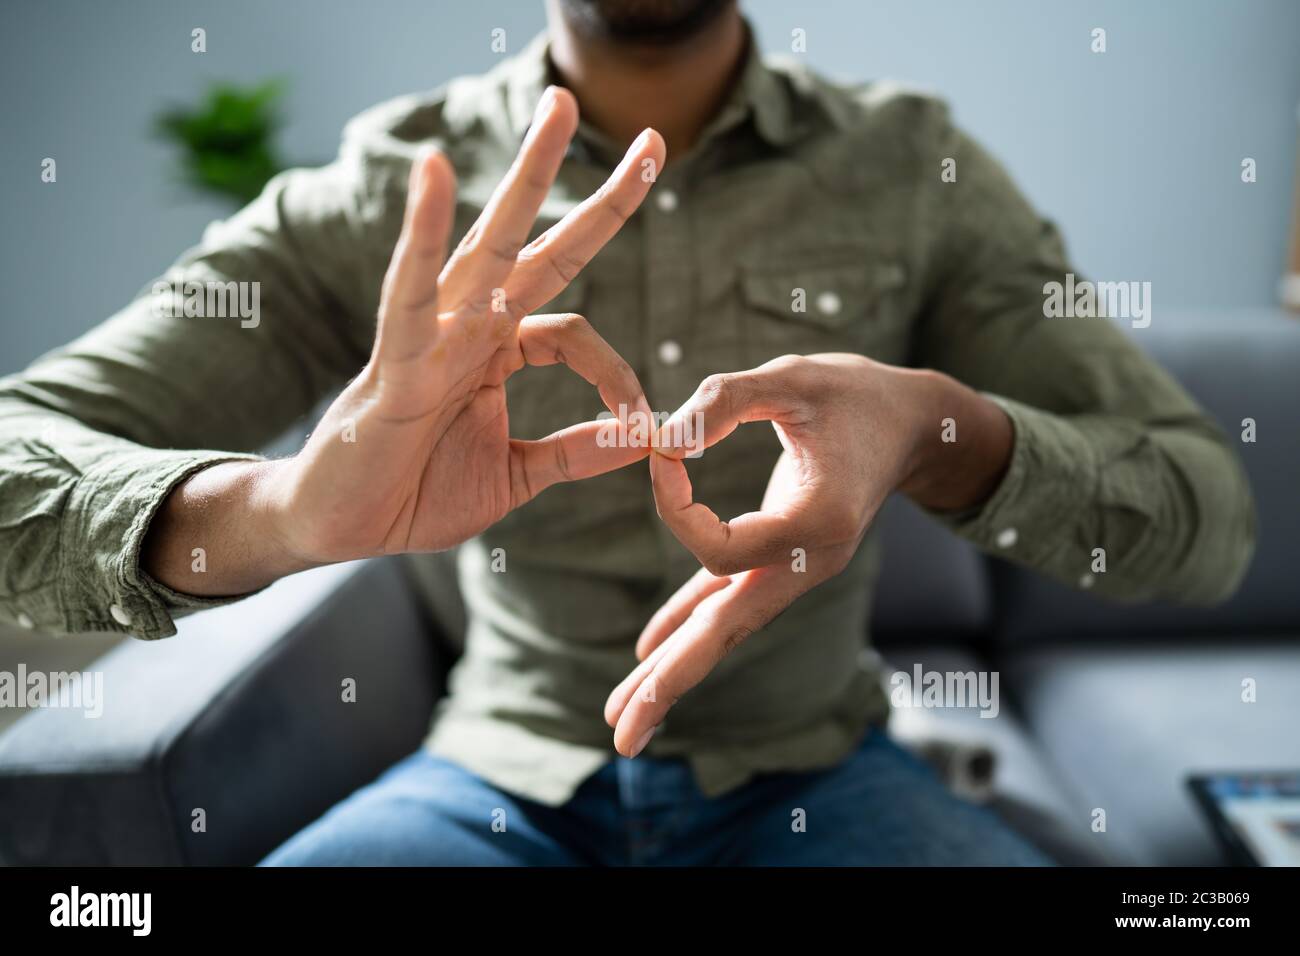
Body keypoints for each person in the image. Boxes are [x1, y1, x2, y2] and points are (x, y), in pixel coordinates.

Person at [0, 0, 1254, 865]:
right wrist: (275, 517)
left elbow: (1207, 519)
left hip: (822, 766)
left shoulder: (912, 164)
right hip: (496, 772)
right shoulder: (386, 188)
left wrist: (938, 427)